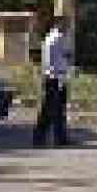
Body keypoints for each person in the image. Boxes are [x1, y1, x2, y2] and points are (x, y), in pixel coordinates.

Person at [32, 13, 71, 148]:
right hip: (53, 78)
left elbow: (63, 57)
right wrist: (57, 76)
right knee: (51, 109)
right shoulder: (53, 39)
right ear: (59, 23)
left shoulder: (59, 37)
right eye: (66, 23)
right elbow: (49, 62)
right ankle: (42, 138)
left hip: (59, 77)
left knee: (56, 109)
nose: (68, 26)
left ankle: (58, 137)